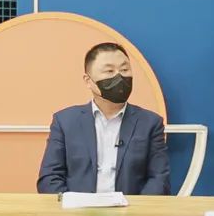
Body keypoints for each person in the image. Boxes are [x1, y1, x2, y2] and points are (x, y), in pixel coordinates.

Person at [37, 42, 170, 195]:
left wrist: (135, 208)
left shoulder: (150, 123)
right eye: (109, 71)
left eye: (124, 69)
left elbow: (159, 179)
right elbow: (49, 178)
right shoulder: (65, 122)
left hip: (130, 209)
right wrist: (73, 205)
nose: (119, 77)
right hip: (78, 208)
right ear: (88, 81)